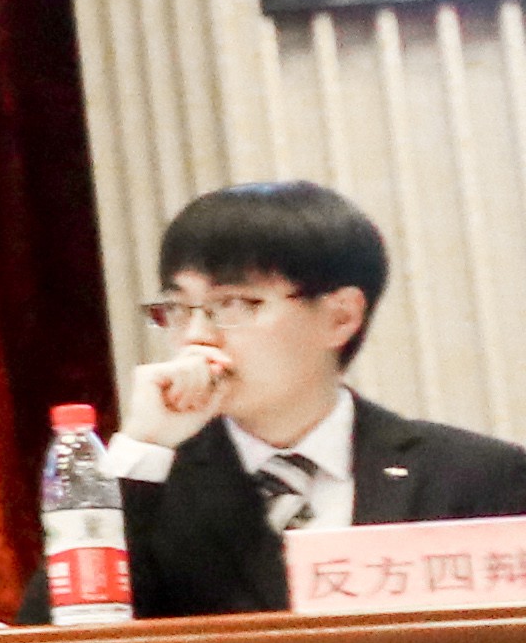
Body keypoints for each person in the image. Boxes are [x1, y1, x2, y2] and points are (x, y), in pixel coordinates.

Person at [70, 181, 526, 619]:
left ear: (340, 316)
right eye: (177, 308)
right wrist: (141, 447)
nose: (196, 337)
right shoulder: (152, 485)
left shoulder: (477, 477)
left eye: (234, 304)